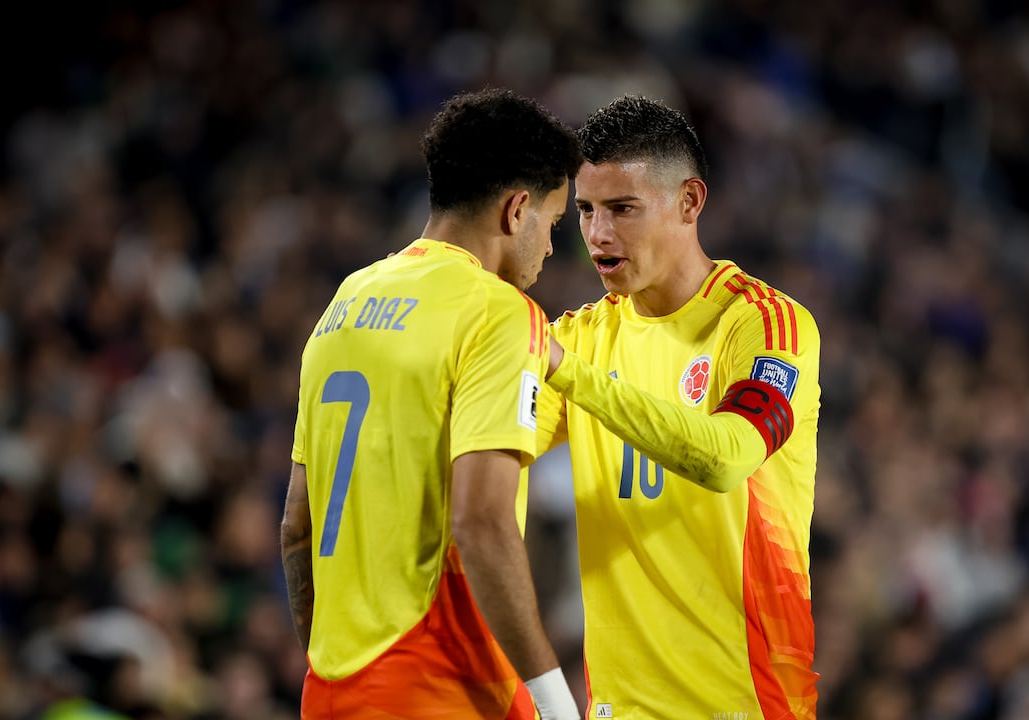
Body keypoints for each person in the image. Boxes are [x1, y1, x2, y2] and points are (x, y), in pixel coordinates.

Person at [280, 88, 583, 720]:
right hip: (441, 685)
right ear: (517, 209)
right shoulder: (500, 313)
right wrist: (555, 702)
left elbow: (295, 528)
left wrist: (329, 662)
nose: (552, 249)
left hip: (330, 690)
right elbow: (481, 523)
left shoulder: (345, 301)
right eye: (553, 225)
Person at [537, 95, 821, 718]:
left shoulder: (766, 325)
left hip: (742, 701)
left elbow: (727, 457)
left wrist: (570, 375)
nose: (596, 234)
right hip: (616, 707)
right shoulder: (581, 338)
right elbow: (486, 445)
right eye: (584, 210)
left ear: (689, 202)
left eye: (622, 209)